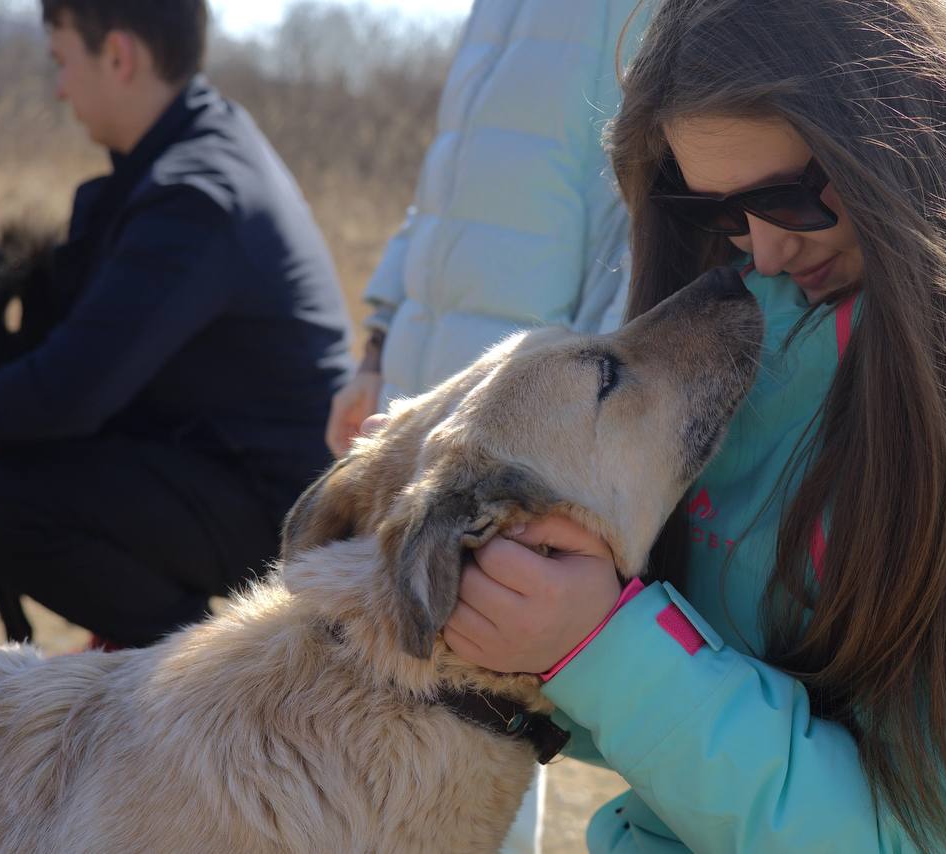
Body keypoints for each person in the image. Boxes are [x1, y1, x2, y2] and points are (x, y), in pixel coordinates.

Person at [439, 0, 946, 850]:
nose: (764, 252)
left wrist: (606, 649)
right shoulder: (765, 325)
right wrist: (525, 629)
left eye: (785, 199)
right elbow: (721, 677)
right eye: (722, 215)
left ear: (901, 132)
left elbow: (945, 836)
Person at [324, 2, 651, 851]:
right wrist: (377, 346)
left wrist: (578, 446)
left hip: (514, 473)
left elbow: (640, 224)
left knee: (486, 741)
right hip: (415, 445)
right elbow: (441, 191)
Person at [0, 0, 354, 649]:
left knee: (2, 506)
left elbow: (63, 398)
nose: (59, 87)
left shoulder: (196, 194)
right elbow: (86, 357)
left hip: (272, 503)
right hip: (210, 463)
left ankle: (191, 690)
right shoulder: (199, 147)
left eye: (62, 60)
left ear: (119, 55)